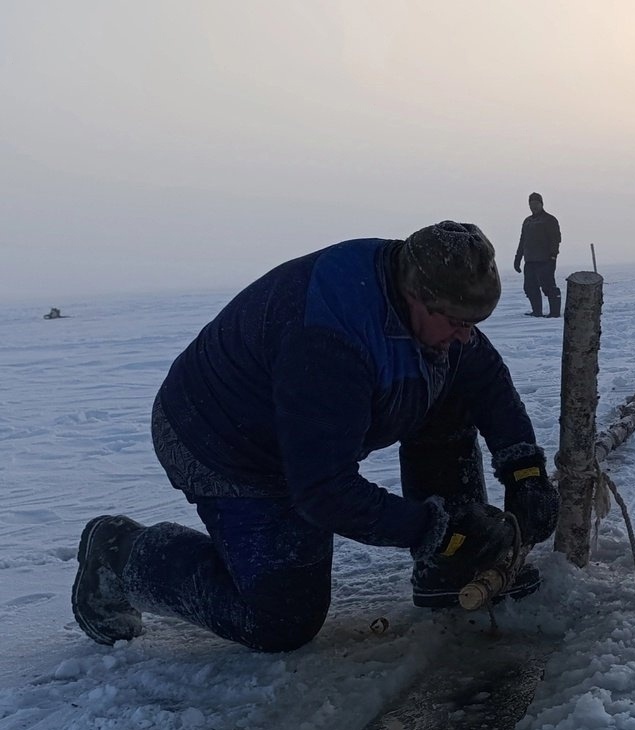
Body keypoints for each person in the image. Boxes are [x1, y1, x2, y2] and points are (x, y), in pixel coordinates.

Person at [71, 221, 559, 653]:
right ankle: (118, 553)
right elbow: (324, 489)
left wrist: (525, 470)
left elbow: (482, 376)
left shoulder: (428, 294)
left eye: (474, 325)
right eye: (457, 324)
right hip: (225, 445)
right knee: (280, 619)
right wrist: (438, 531)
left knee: (448, 384)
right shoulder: (329, 342)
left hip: (300, 427)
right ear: (415, 296)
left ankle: (448, 571)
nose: (465, 336)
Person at [512, 192, 562, 318]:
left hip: (546, 259)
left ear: (541, 204)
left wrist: (553, 256)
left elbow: (555, 239)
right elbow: (522, 240)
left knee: (548, 286)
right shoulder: (527, 221)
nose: (533, 206)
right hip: (530, 260)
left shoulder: (550, 220)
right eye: (531, 204)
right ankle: (537, 311)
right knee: (529, 287)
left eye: (536, 203)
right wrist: (518, 259)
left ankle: (554, 313)